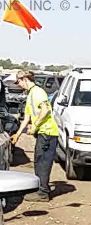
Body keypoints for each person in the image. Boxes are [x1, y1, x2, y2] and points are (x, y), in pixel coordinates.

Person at [11, 70, 60, 201]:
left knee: (43, 162)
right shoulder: (31, 94)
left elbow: (45, 110)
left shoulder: (38, 92)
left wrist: (36, 125)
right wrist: (17, 134)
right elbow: (26, 118)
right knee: (39, 161)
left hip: (48, 132)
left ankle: (43, 192)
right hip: (43, 132)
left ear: (25, 79)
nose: (19, 85)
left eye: (19, 82)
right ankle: (42, 188)